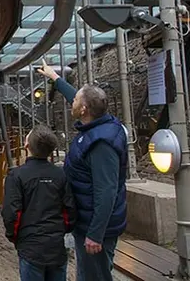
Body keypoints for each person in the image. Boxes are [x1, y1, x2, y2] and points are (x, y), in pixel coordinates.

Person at [37, 60, 128, 281]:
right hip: (86, 220)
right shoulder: (99, 124)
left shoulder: (101, 145)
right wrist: (55, 78)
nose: (72, 102)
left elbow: (106, 191)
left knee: (93, 276)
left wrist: (95, 235)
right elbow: (78, 99)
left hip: (94, 228)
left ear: (84, 109)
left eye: (76, 100)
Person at [2, 125, 77, 281]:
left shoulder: (16, 176)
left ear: (26, 145)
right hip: (56, 246)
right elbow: (69, 211)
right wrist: (62, 231)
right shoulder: (60, 174)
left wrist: (15, 237)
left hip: (30, 246)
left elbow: (11, 213)